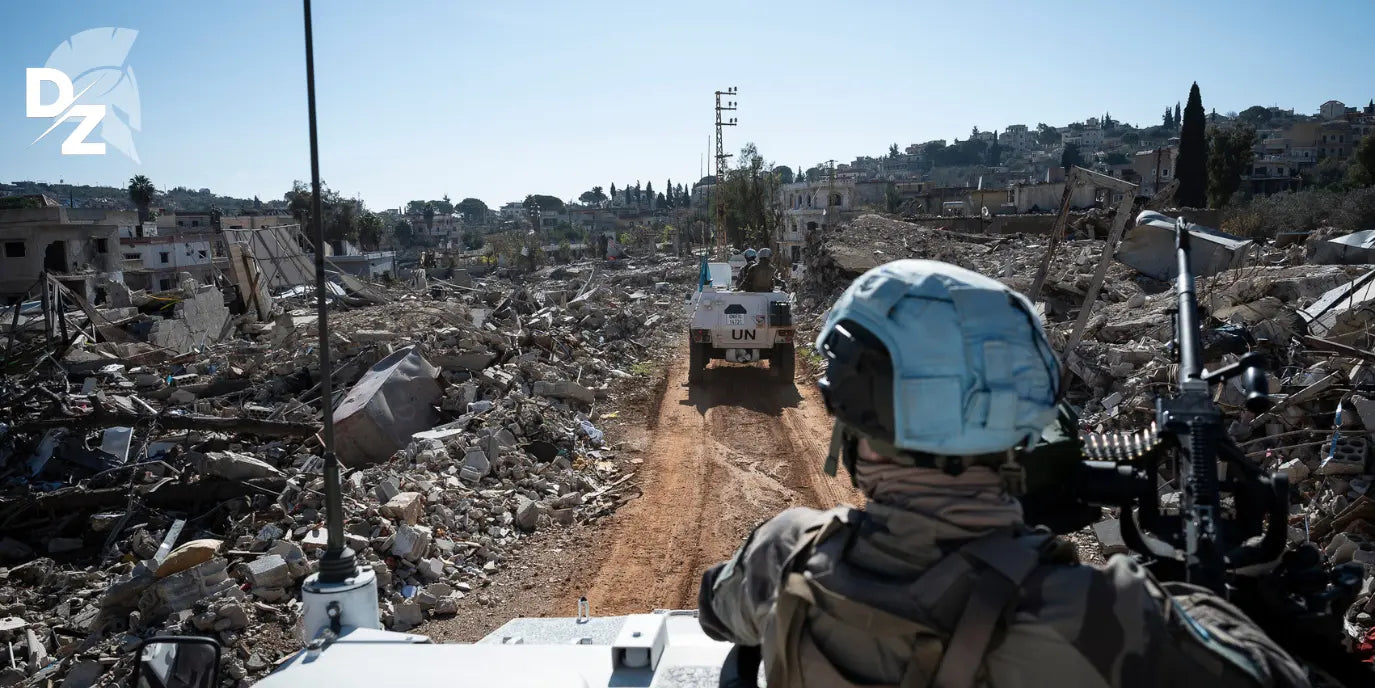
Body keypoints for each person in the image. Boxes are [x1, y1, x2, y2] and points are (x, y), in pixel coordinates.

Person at [697, 259, 1309, 687]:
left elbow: (715, 611)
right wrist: (1219, 589)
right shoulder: (1112, 617)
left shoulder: (786, 552)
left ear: (859, 423)